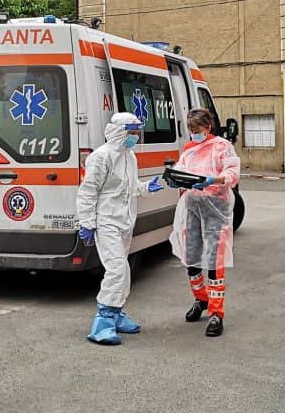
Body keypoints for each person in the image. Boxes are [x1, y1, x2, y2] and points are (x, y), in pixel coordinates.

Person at [76, 112, 163, 345]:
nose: (135, 136)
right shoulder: (100, 157)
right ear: (119, 132)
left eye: (137, 131)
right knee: (116, 269)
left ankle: (116, 313)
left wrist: (146, 187)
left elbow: (130, 188)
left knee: (123, 269)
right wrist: (87, 223)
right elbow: (88, 191)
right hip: (105, 221)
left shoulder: (129, 157)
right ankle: (102, 322)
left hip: (125, 222)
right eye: (132, 131)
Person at [169, 108, 241, 337]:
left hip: (215, 208)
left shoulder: (222, 146)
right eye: (191, 131)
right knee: (191, 256)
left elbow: (232, 173)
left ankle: (216, 313)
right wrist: (175, 178)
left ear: (208, 127)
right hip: (192, 206)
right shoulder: (189, 148)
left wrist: (214, 179)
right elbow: (182, 169)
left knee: (213, 260)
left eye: (197, 130)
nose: (194, 134)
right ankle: (200, 299)